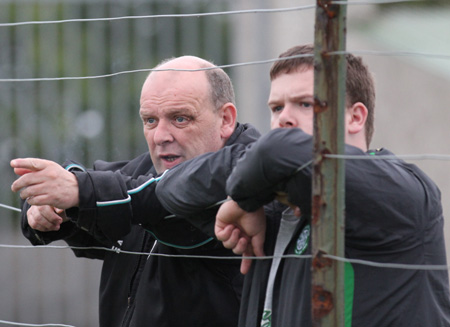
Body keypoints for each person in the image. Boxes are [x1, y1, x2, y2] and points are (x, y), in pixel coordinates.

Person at [11, 56, 261, 327]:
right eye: (150, 120)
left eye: (180, 118)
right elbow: (107, 191)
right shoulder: (147, 174)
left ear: (225, 119)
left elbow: (162, 204)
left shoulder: (251, 177)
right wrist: (52, 205)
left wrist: (80, 192)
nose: (160, 136)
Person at [213, 45, 450, 326]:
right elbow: (173, 186)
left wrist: (242, 199)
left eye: (306, 104)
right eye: (277, 107)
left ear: (355, 117)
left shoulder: (402, 190)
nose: (284, 118)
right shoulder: (276, 206)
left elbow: (275, 150)